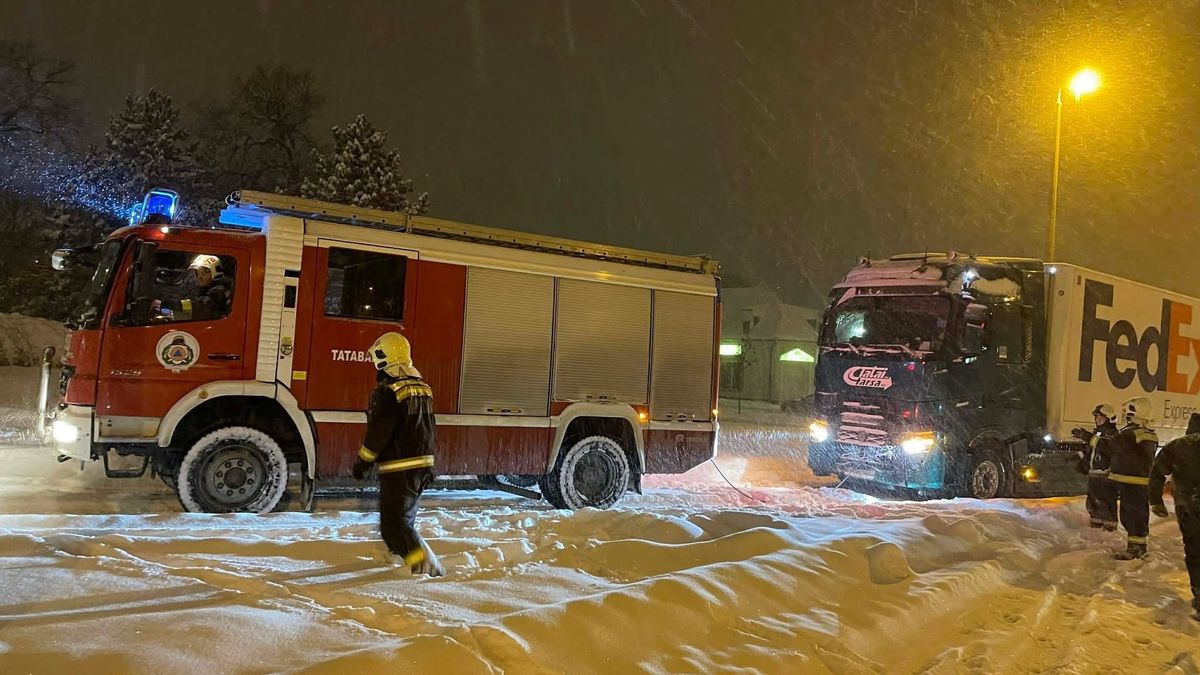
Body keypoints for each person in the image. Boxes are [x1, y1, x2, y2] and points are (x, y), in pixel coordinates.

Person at [352, 331, 444, 577]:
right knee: (401, 522)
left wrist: (363, 461)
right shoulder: (421, 387)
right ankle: (401, 558)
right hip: (422, 465)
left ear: (384, 358)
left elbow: (379, 432)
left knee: (395, 525)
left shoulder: (388, 391)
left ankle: (423, 566)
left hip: (399, 467)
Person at [1150, 412, 1200, 621]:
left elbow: (1157, 473)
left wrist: (1155, 500)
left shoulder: (1177, 446)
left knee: (1195, 550)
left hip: (1188, 506)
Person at [1107, 396, 1158, 560]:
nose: (1126, 417)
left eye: (1128, 414)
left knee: (1136, 516)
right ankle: (1134, 546)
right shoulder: (1133, 433)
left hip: (1136, 483)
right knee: (1129, 516)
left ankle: (1138, 548)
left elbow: (1114, 446)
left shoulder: (1140, 434)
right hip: (1128, 482)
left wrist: (1093, 438)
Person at [1071, 403, 1119, 531]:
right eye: (1096, 417)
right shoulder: (1097, 435)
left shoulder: (1113, 435)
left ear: (1109, 419)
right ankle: (1096, 528)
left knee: (1106, 504)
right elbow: (1092, 452)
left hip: (1106, 477)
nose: (1097, 420)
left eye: (1100, 417)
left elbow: (1107, 447)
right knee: (1093, 504)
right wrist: (1083, 463)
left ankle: (1110, 531)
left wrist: (1087, 437)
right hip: (1095, 476)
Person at [153, 254, 232, 322]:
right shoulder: (204, 291)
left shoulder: (219, 292)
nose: (199, 277)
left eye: (204, 273)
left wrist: (165, 304)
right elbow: (187, 315)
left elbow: (196, 307)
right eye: (197, 274)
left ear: (215, 273)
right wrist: (162, 311)